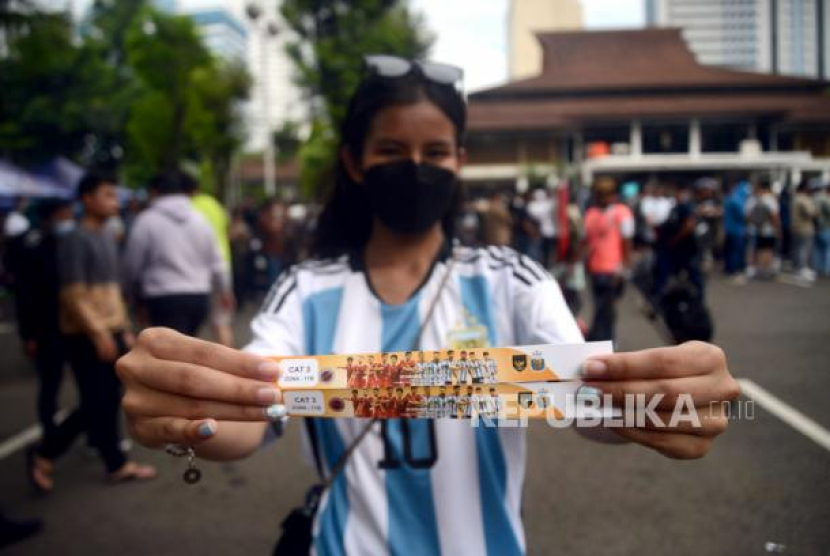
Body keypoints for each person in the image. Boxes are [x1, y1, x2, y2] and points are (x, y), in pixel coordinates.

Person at [116, 55, 739, 555]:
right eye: (390, 151)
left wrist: (659, 400)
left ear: (458, 162)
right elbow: (254, 407)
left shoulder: (512, 278)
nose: (415, 168)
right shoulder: (306, 288)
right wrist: (191, 412)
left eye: (435, 153)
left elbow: (584, 399)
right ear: (355, 163)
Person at [31, 172, 156, 488]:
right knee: (95, 401)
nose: (115, 201)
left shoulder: (107, 236)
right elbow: (73, 294)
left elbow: (113, 290)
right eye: (107, 195)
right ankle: (44, 454)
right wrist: (99, 332)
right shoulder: (74, 238)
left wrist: (123, 328)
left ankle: (115, 463)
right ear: (86, 199)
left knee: (108, 399)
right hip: (83, 334)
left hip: (110, 330)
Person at [3, 199, 74, 469]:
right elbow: (26, 296)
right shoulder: (31, 246)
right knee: (50, 383)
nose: (68, 219)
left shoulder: (70, 242)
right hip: (47, 329)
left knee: (92, 388)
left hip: (73, 326)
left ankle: (86, 438)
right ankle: (50, 432)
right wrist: (28, 335)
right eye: (64, 215)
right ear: (49, 217)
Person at [121, 171, 233, 337]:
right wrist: (225, 289)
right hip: (198, 295)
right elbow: (217, 261)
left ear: (154, 192)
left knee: (168, 351)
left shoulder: (146, 220)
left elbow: (133, 263)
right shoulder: (200, 219)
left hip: (161, 297)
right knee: (187, 344)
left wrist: (128, 292)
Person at [582, 176, 634, 342]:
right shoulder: (621, 212)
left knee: (602, 307)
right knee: (606, 308)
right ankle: (606, 340)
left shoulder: (591, 214)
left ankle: (602, 338)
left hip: (602, 268)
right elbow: (627, 241)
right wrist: (626, 265)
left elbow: (586, 242)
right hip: (608, 269)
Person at [185, 176, 236, 346]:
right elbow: (228, 229)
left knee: (192, 325)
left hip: (197, 269)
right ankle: (229, 361)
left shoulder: (189, 208)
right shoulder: (214, 204)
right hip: (224, 263)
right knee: (222, 320)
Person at [653, 183, 704, 300]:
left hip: (685, 249)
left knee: (693, 275)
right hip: (674, 249)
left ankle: (698, 302)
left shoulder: (686, 206)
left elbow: (689, 225)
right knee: (665, 273)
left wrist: (675, 239)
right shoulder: (675, 207)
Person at [745, 176, 780, 279]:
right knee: (767, 250)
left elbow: (747, 216)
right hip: (768, 229)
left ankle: (752, 269)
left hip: (753, 229)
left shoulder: (752, 199)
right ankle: (765, 271)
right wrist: (777, 228)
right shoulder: (770, 199)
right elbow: (774, 216)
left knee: (753, 250)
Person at [789, 180, 817, 282]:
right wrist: (815, 212)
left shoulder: (795, 198)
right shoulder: (803, 199)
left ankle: (796, 269)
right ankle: (801, 270)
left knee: (797, 250)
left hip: (796, 227)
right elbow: (810, 213)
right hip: (805, 228)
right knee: (803, 250)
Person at [723, 180, 750, 280]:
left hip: (729, 229)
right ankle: (734, 270)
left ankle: (729, 269)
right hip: (737, 230)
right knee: (736, 251)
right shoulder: (737, 200)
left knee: (729, 251)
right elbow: (742, 215)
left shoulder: (728, 199)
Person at [812, 179, 830, 277]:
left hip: (816, 227)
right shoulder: (826, 199)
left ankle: (817, 268)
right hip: (826, 227)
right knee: (828, 249)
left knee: (817, 249)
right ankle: (827, 269)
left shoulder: (814, 198)